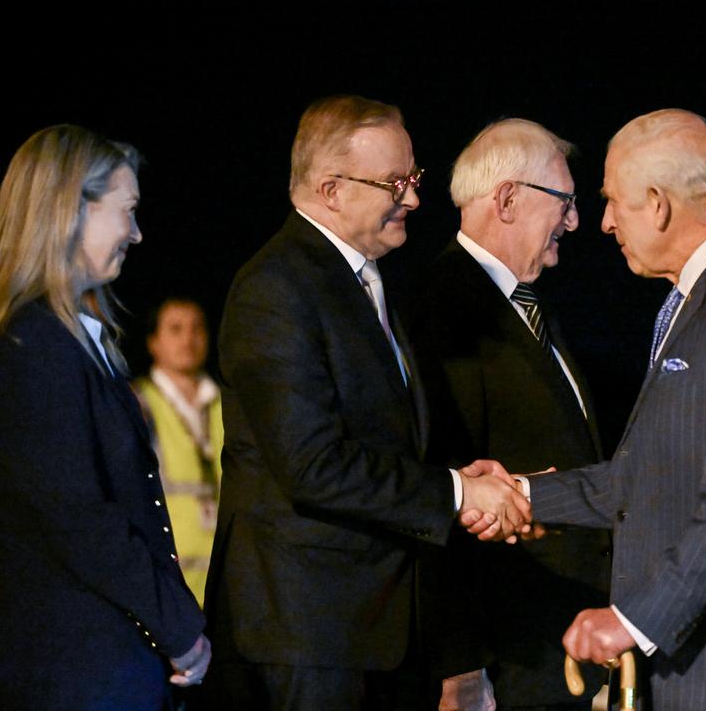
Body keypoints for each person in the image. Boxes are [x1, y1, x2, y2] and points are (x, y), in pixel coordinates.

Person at [201, 95, 532, 711]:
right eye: (396, 182)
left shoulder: (365, 279)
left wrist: (453, 477)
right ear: (331, 189)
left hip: (375, 635)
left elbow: (385, 440)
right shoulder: (274, 289)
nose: (413, 199)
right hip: (307, 642)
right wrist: (456, 495)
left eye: (415, 178)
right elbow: (313, 466)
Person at [489, 109, 706, 710]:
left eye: (613, 202)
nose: (606, 223)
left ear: (659, 204)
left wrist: (633, 620)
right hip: (683, 669)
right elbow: (645, 474)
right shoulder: (698, 302)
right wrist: (521, 494)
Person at [0, 125, 210, 710]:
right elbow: (80, 519)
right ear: (71, 209)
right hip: (66, 671)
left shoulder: (71, 340)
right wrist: (180, 629)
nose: (138, 233)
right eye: (128, 211)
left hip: (98, 664)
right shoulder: (29, 344)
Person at [413, 119, 611, 710]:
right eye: (566, 203)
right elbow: (438, 486)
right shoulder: (442, 309)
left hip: (557, 637)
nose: (575, 222)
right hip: (507, 650)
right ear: (507, 199)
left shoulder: (531, 304)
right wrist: (460, 662)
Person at [134, 298, 223, 607]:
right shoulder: (139, 405)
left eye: (197, 328)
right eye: (175, 329)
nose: (188, 338)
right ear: (153, 342)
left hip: (224, 583)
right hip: (169, 587)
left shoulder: (228, 404)